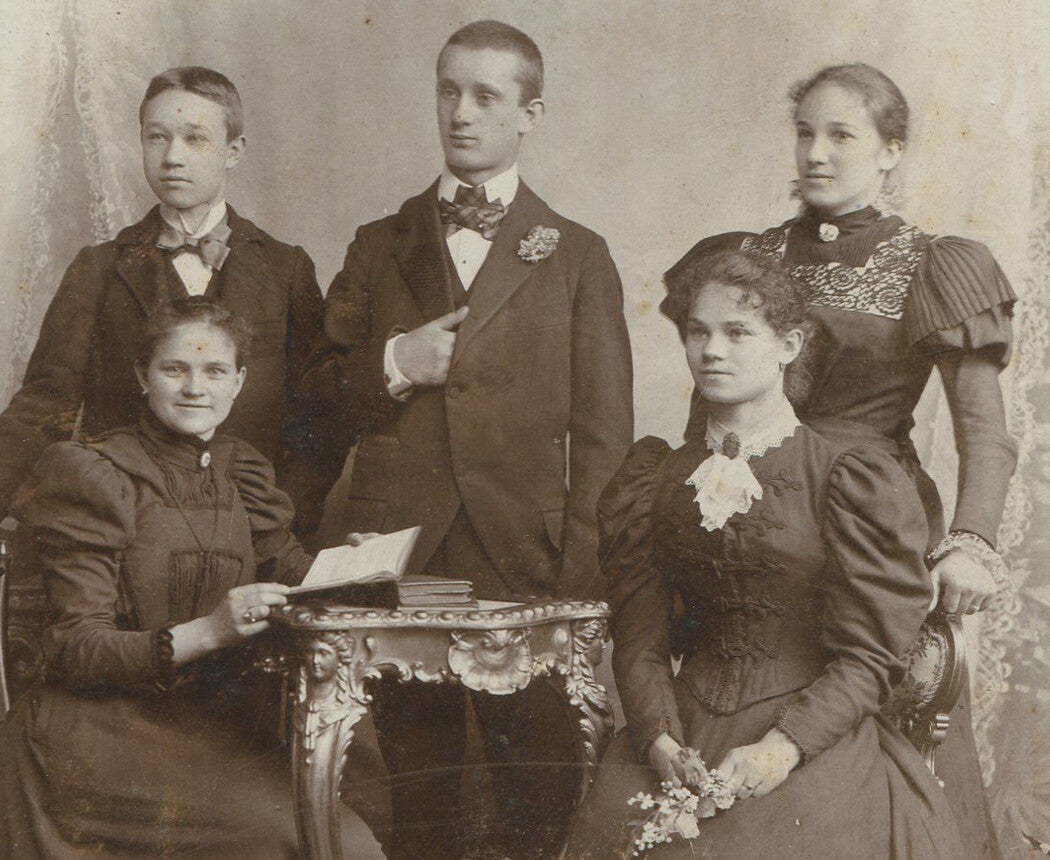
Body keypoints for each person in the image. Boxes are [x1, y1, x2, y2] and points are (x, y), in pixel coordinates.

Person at [300, 19, 633, 859]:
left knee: (541, 790)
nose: (462, 112)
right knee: (419, 791)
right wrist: (394, 362)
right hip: (399, 554)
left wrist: (581, 574)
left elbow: (604, 435)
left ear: (532, 113)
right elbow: (307, 402)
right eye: (449, 90)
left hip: (527, 555)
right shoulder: (380, 246)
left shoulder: (579, 257)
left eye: (487, 95)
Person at [667, 62, 1014, 857]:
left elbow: (983, 433)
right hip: (752, 512)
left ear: (891, 151)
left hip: (869, 523)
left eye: (842, 135)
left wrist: (971, 542)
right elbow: (705, 414)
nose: (816, 153)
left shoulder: (933, 264)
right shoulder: (748, 255)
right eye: (804, 133)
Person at [563, 251, 966, 859]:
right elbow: (641, 641)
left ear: (788, 345)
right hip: (681, 738)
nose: (712, 351)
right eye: (698, 331)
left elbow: (869, 657)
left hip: (812, 740)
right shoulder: (656, 480)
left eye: (737, 332)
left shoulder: (845, 478)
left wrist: (783, 748)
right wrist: (657, 740)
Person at [0, 298, 386, 858]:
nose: (194, 389)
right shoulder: (93, 471)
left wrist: (351, 566)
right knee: (302, 837)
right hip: (97, 732)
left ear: (239, 382)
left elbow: (296, 577)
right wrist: (210, 631)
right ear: (142, 376)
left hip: (206, 724)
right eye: (174, 369)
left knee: (350, 835)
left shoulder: (241, 471)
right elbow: (74, 649)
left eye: (214, 371)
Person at [0, 66, 332, 533]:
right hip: (127, 528)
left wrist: (282, 518)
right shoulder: (99, 267)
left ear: (233, 150)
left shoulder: (285, 268)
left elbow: (314, 418)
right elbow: (43, 406)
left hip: (251, 529)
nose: (172, 156)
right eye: (157, 137)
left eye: (195, 139)